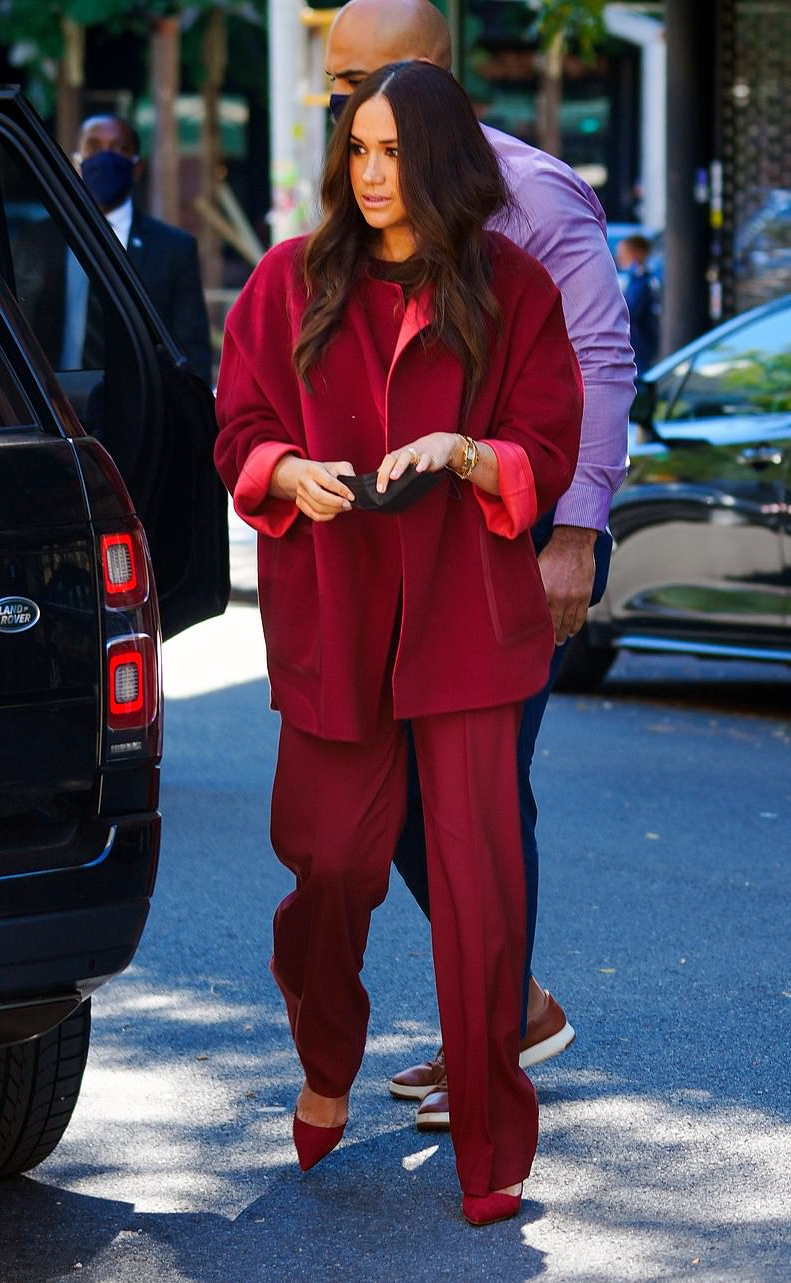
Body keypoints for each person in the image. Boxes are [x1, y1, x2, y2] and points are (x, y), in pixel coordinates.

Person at [213, 62, 582, 1225]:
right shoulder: (287, 281)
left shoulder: (512, 288)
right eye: (355, 150)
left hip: (467, 624)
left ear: (438, 160)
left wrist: (467, 454)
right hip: (335, 612)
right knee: (327, 860)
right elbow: (239, 426)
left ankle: (490, 1148)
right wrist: (286, 472)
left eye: (389, 152)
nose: (369, 175)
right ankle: (330, 1056)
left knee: (477, 891)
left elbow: (547, 439)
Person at [324, 0, 637, 1131]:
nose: (340, 107)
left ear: (422, 72)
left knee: (477, 791)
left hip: (518, 533)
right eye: (332, 87)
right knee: (394, 788)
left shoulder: (532, 192)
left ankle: (493, 1034)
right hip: (408, 548)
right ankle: (506, 1008)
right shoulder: (367, 199)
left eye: (358, 81)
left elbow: (599, 359)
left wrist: (572, 530)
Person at [73, 114, 213, 383]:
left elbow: (192, 351)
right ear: (76, 161)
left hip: (143, 408)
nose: (105, 158)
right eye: (93, 147)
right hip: (56, 407)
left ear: (137, 167)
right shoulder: (43, 241)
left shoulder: (174, 248)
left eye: (118, 148)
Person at [616, 233, 661, 375]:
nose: (620, 258)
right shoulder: (634, 279)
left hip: (639, 347)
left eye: (625, 253)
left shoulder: (643, 281)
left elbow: (629, 310)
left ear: (638, 254)